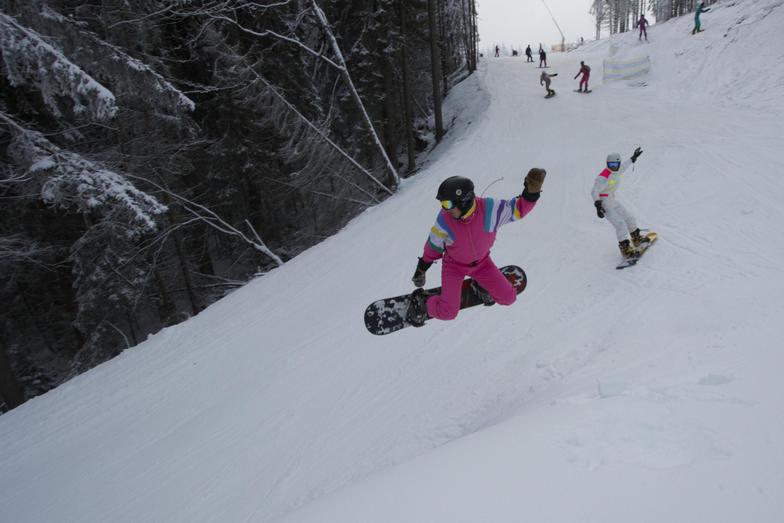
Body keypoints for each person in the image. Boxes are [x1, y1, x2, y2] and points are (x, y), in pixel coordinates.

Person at [408, 170, 547, 326]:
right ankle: (422, 302)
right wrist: (421, 268)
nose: (445, 209)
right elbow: (433, 246)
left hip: (483, 264)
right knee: (447, 313)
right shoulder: (445, 220)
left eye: (448, 204)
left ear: (464, 201)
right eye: (442, 204)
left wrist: (531, 193)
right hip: (454, 267)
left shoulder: (489, 210)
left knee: (509, 298)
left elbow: (518, 209)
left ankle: (480, 285)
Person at [591, 147, 649, 259]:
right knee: (620, 224)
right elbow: (594, 191)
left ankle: (636, 238)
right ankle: (625, 249)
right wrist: (598, 205)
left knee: (629, 217)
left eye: (615, 164)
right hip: (604, 202)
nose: (614, 167)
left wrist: (633, 158)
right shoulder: (603, 176)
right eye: (611, 165)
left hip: (612, 200)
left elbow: (623, 167)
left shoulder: (616, 170)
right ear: (607, 164)